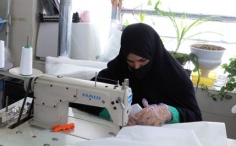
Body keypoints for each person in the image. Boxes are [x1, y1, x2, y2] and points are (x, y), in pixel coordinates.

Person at [71, 23, 202, 126]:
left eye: (143, 61)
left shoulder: (176, 77)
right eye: (130, 61)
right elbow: (81, 97)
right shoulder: (118, 69)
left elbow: (195, 117)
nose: (137, 67)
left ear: (154, 54)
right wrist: (113, 113)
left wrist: (168, 113)